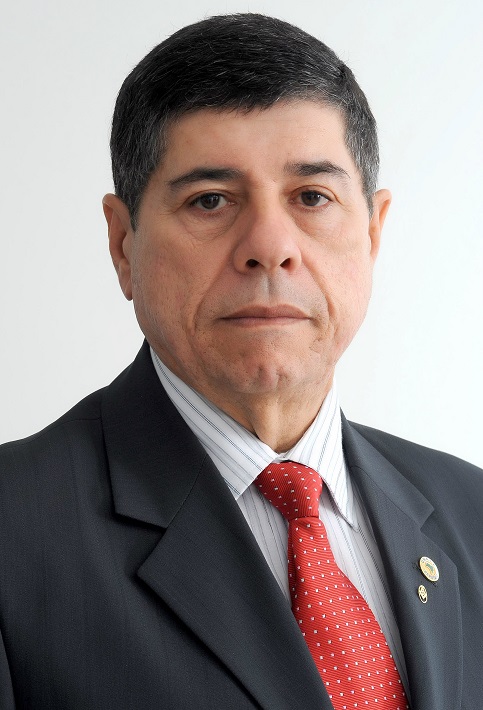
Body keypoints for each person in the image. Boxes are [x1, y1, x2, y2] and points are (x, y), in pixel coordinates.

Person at [0, 13, 482, 710]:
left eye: (311, 197)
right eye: (210, 200)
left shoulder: (471, 513)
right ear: (123, 243)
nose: (269, 247)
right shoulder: (14, 532)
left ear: (373, 233)